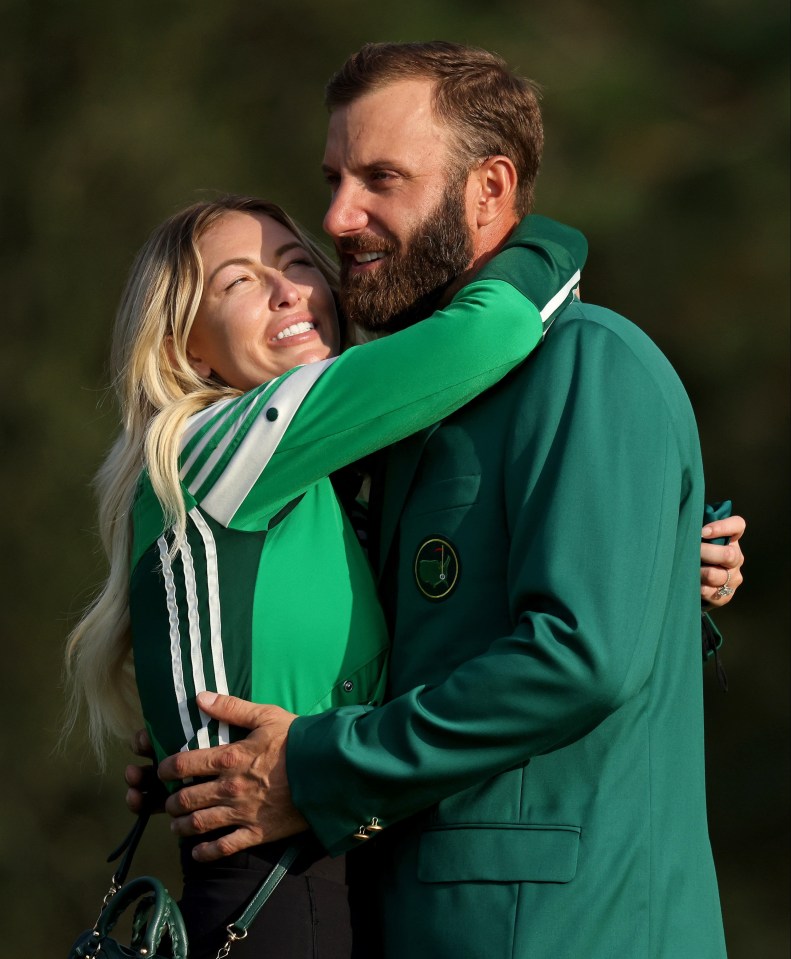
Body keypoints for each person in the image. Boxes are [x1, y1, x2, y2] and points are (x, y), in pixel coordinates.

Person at [143, 44, 747, 958]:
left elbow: (581, 657)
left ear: (489, 189)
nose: (340, 216)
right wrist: (190, 746)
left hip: (562, 931)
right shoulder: (379, 413)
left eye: (381, 177)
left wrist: (312, 764)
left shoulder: (589, 364)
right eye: (335, 178)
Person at [66, 193, 586, 957]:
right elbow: (497, 329)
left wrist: (674, 545)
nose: (286, 290)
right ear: (187, 351)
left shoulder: (322, 487)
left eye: (298, 264)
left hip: (348, 882)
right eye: (237, 282)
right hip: (273, 901)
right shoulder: (216, 448)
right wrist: (539, 232)